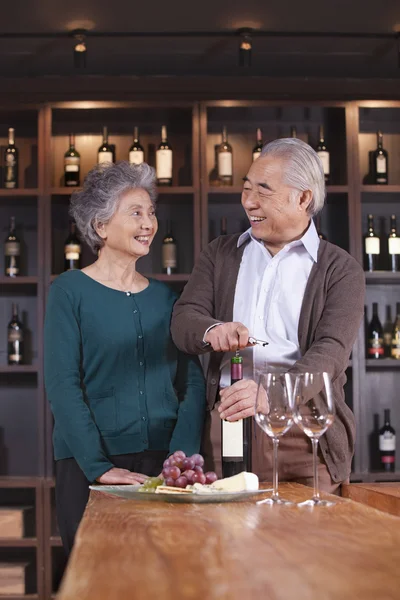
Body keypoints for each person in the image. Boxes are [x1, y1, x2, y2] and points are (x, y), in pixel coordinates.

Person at [171, 138, 365, 494]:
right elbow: (184, 318)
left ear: (303, 198)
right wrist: (213, 329)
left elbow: (331, 353)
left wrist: (270, 395)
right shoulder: (220, 254)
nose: (249, 202)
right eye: (246, 189)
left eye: (263, 191)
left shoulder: (341, 270)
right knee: (230, 543)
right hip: (227, 428)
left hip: (307, 432)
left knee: (311, 545)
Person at [44, 162, 205, 556]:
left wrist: (181, 458)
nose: (149, 222)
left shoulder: (169, 298)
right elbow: (63, 385)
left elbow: (194, 383)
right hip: (89, 465)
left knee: (168, 578)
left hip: (165, 464)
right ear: (100, 226)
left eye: (151, 212)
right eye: (135, 212)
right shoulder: (68, 291)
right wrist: (98, 468)